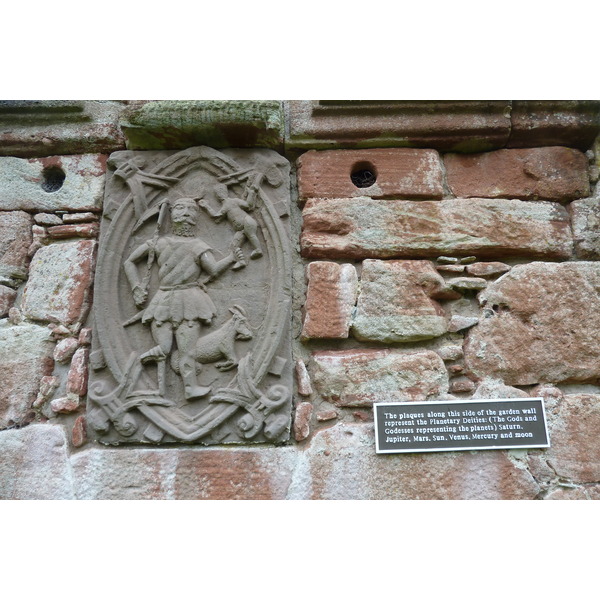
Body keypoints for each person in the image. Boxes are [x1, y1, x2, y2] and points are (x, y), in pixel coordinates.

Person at [123, 196, 244, 400]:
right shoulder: (158, 243)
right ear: (172, 214)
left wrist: (232, 258)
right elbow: (130, 262)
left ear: (196, 217)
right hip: (164, 299)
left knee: (187, 350)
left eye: (190, 209)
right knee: (163, 349)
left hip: (190, 300)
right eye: (179, 207)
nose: (185, 212)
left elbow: (212, 269)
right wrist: (136, 287)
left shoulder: (198, 245)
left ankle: (189, 388)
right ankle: (140, 368)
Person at [198, 183, 262, 269]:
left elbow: (248, 206)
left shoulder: (230, 202)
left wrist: (251, 193)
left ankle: (258, 249)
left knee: (251, 234)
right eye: (217, 194)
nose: (218, 195)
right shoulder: (227, 204)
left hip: (247, 222)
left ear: (223, 193)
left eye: (219, 193)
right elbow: (217, 219)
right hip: (241, 229)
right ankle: (241, 261)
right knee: (234, 246)